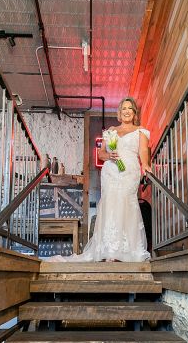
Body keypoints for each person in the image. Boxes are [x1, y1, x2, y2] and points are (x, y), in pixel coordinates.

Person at [44, 97, 151, 262]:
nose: (127, 111)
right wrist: (110, 155)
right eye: (124, 109)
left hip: (129, 172)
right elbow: (101, 154)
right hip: (111, 172)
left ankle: (127, 249)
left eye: (130, 108)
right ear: (120, 113)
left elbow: (143, 151)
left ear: (134, 112)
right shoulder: (111, 131)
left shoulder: (140, 131)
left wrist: (146, 165)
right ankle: (109, 250)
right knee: (110, 204)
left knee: (126, 203)